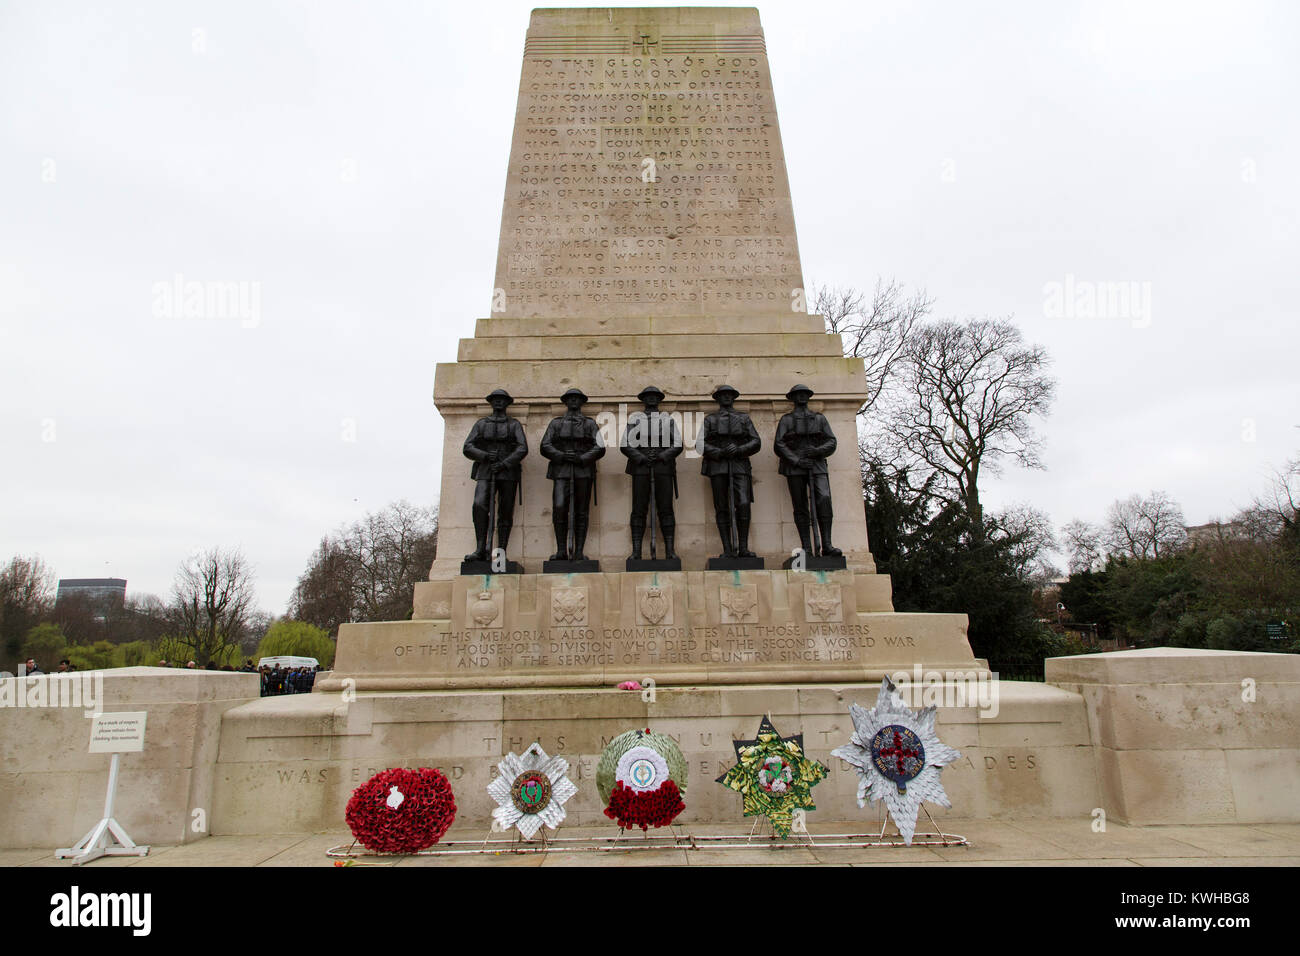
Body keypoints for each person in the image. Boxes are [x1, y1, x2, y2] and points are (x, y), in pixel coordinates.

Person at [774, 384, 842, 557]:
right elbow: (779, 444)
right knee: (800, 505)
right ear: (793, 398)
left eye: (804, 394)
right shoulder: (786, 420)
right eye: (798, 394)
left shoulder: (819, 419)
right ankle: (806, 547)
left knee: (824, 499)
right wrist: (797, 460)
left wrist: (817, 451)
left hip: (816, 465)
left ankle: (827, 544)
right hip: (795, 467)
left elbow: (831, 441)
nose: (802, 397)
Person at [462, 388, 529, 562]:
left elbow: (522, 447)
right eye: (495, 399)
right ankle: (480, 548)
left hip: (507, 471)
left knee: (505, 512)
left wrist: (505, 463)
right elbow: (468, 447)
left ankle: (500, 552)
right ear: (491, 402)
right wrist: (484, 456)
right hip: (485, 470)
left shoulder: (514, 424)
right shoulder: (481, 424)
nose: (498, 402)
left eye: (502, 399)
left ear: (507, 403)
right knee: (479, 506)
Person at [540, 387, 606, 561]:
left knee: (581, 511)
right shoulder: (556, 423)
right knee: (560, 508)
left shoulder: (589, 423)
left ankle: (578, 552)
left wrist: (582, 458)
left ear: (582, 401)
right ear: (565, 401)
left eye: (577, 398)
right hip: (561, 470)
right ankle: (561, 550)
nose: (574, 401)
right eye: (570, 398)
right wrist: (561, 456)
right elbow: (545, 445)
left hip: (583, 470)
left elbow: (599, 447)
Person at [619, 385, 683, 560]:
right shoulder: (635, 420)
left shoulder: (667, 420)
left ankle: (670, 551)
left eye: (655, 396)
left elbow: (677, 444)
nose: (652, 399)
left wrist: (662, 456)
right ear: (643, 399)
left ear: (659, 399)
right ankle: (637, 551)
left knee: (666, 508)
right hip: (641, 468)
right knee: (639, 509)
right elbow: (625, 444)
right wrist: (641, 457)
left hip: (663, 468)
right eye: (648, 396)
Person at [698, 385, 761, 558]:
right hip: (718, 466)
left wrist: (739, 449)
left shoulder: (743, 418)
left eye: (729, 395)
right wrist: (719, 452)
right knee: (721, 507)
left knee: (743, 504)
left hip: (739, 465)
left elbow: (756, 441)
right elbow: (699, 443)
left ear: (733, 398)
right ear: (717, 399)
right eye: (722, 395)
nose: (726, 398)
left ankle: (743, 547)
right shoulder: (710, 420)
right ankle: (727, 549)